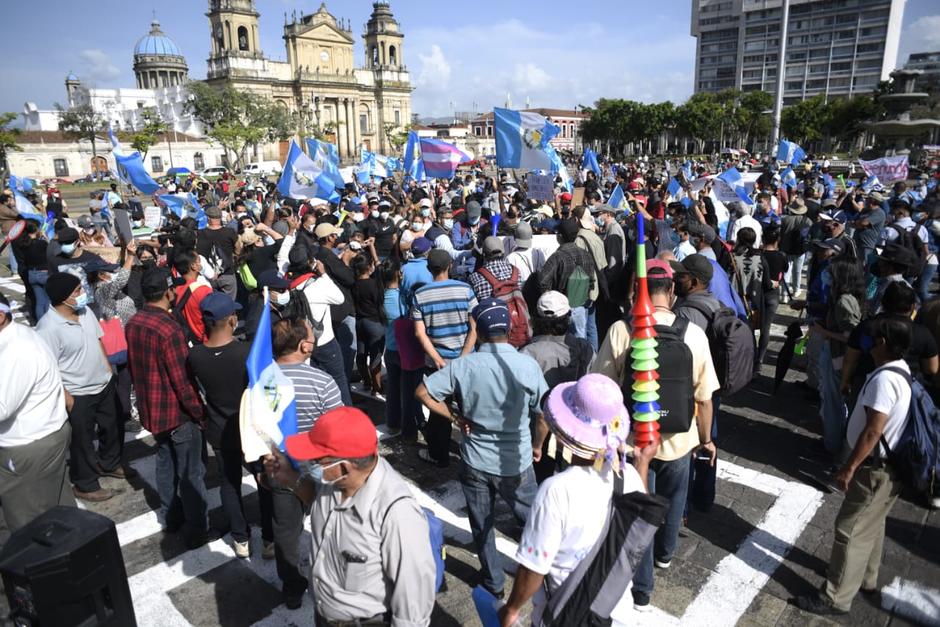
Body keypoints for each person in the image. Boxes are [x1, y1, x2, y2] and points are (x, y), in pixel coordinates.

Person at [592, 259, 719, 610]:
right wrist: (705, 438)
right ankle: (666, 554)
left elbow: (602, 385)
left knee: (638, 510)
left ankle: (642, 589)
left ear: (638, 290)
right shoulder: (692, 333)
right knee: (674, 499)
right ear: (673, 291)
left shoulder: (623, 329)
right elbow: (704, 397)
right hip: (679, 437)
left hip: (634, 442)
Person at [498, 373, 658, 626]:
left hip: (565, 612)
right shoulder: (627, 476)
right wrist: (643, 463)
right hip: (614, 611)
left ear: (564, 434)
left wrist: (512, 609)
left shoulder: (557, 490)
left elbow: (534, 568)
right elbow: (640, 518)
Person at [416, 298, 550, 599]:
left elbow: (423, 392)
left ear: (479, 329)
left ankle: (493, 581)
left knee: (482, 523)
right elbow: (544, 414)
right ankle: (546, 573)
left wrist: (454, 417)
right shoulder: (526, 365)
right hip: (516, 459)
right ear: (509, 327)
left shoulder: (464, 366)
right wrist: (538, 445)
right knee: (535, 520)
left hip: (475, 458)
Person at [264, 406, 436, 625]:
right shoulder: (332, 482)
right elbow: (320, 507)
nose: (310, 465)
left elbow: (413, 607)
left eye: (317, 461)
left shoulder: (397, 515)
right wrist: (290, 478)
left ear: (344, 467)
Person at [795, 317, 912, 616]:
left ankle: (835, 597)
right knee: (874, 522)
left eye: (871, 338)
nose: (866, 343)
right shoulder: (901, 370)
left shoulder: (885, 380)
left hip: (874, 468)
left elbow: (873, 431)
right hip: (889, 468)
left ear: (883, 343)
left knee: (849, 529)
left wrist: (849, 467)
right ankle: (866, 578)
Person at [125, 267, 210, 548]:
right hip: (177, 412)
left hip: (153, 409)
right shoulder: (169, 328)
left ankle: (171, 516)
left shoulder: (134, 322)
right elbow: (182, 381)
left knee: (165, 463)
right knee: (190, 473)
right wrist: (199, 413)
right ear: (167, 292)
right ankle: (197, 530)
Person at [266, 316, 344, 608]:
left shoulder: (262, 381)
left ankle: (292, 587)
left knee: (286, 530)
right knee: (329, 525)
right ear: (303, 346)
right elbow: (338, 426)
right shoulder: (323, 381)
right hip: (320, 465)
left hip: (281, 466)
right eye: (311, 336)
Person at [187, 292, 262, 559]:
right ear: (231, 320)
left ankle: (240, 539)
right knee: (262, 477)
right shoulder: (245, 351)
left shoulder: (195, 356)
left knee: (229, 484)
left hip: (219, 429)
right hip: (250, 428)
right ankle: (270, 538)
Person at [37, 272, 123, 502]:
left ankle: (109, 463)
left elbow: (97, 341)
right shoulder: (47, 328)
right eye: (77, 291)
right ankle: (85, 484)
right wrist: (67, 398)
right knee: (82, 441)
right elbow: (48, 368)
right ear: (63, 298)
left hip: (103, 384)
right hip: (77, 393)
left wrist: (108, 372)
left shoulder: (85, 313)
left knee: (112, 427)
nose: (82, 294)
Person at [0, 293, 77, 530]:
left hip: (28, 447)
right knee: (60, 509)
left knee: (29, 525)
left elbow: (2, 409)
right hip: (47, 434)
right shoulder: (21, 335)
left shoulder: (14, 352)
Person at [412, 249, 478, 466]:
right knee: (471, 407)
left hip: (437, 364)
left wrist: (437, 358)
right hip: (466, 360)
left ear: (429, 269)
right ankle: (475, 454)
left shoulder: (420, 295)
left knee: (440, 410)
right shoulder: (465, 289)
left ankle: (438, 455)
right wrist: (464, 355)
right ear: (450, 265)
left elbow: (419, 333)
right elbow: (474, 327)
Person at [314, 222, 358, 394]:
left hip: (332, 309)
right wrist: (346, 261)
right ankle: (344, 386)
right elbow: (349, 278)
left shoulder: (320, 253)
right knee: (348, 348)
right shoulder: (328, 256)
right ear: (329, 238)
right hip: (341, 309)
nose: (336, 237)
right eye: (334, 235)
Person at [537, 219, 597, 341]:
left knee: (562, 341)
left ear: (559, 236)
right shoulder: (585, 254)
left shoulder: (557, 256)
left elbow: (542, 281)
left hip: (561, 308)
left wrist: (551, 296)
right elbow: (591, 280)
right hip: (581, 305)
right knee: (581, 339)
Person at [351, 253, 386, 396]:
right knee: (376, 355)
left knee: (361, 353)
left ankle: (366, 381)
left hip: (359, 322)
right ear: (368, 267)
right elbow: (380, 302)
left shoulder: (353, 284)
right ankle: (376, 387)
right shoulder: (373, 284)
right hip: (374, 322)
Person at [197, 204, 240, 298]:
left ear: (208, 218)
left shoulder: (199, 234)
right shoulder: (230, 232)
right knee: (229, 305)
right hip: (227, 274)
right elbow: (238, 249)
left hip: (208, 276)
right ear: (220, 217)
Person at [173, 248, 214, 344]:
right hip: (206, 340)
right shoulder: (203, 290)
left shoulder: (174, 290)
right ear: (193, 266)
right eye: (198, 261)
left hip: (187, 340)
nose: (200, 263)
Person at [468, 236, 519, 301]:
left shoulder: (475, 277)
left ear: (484, 255)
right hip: (514, 310)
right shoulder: (516, 272)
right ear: (503, 252)